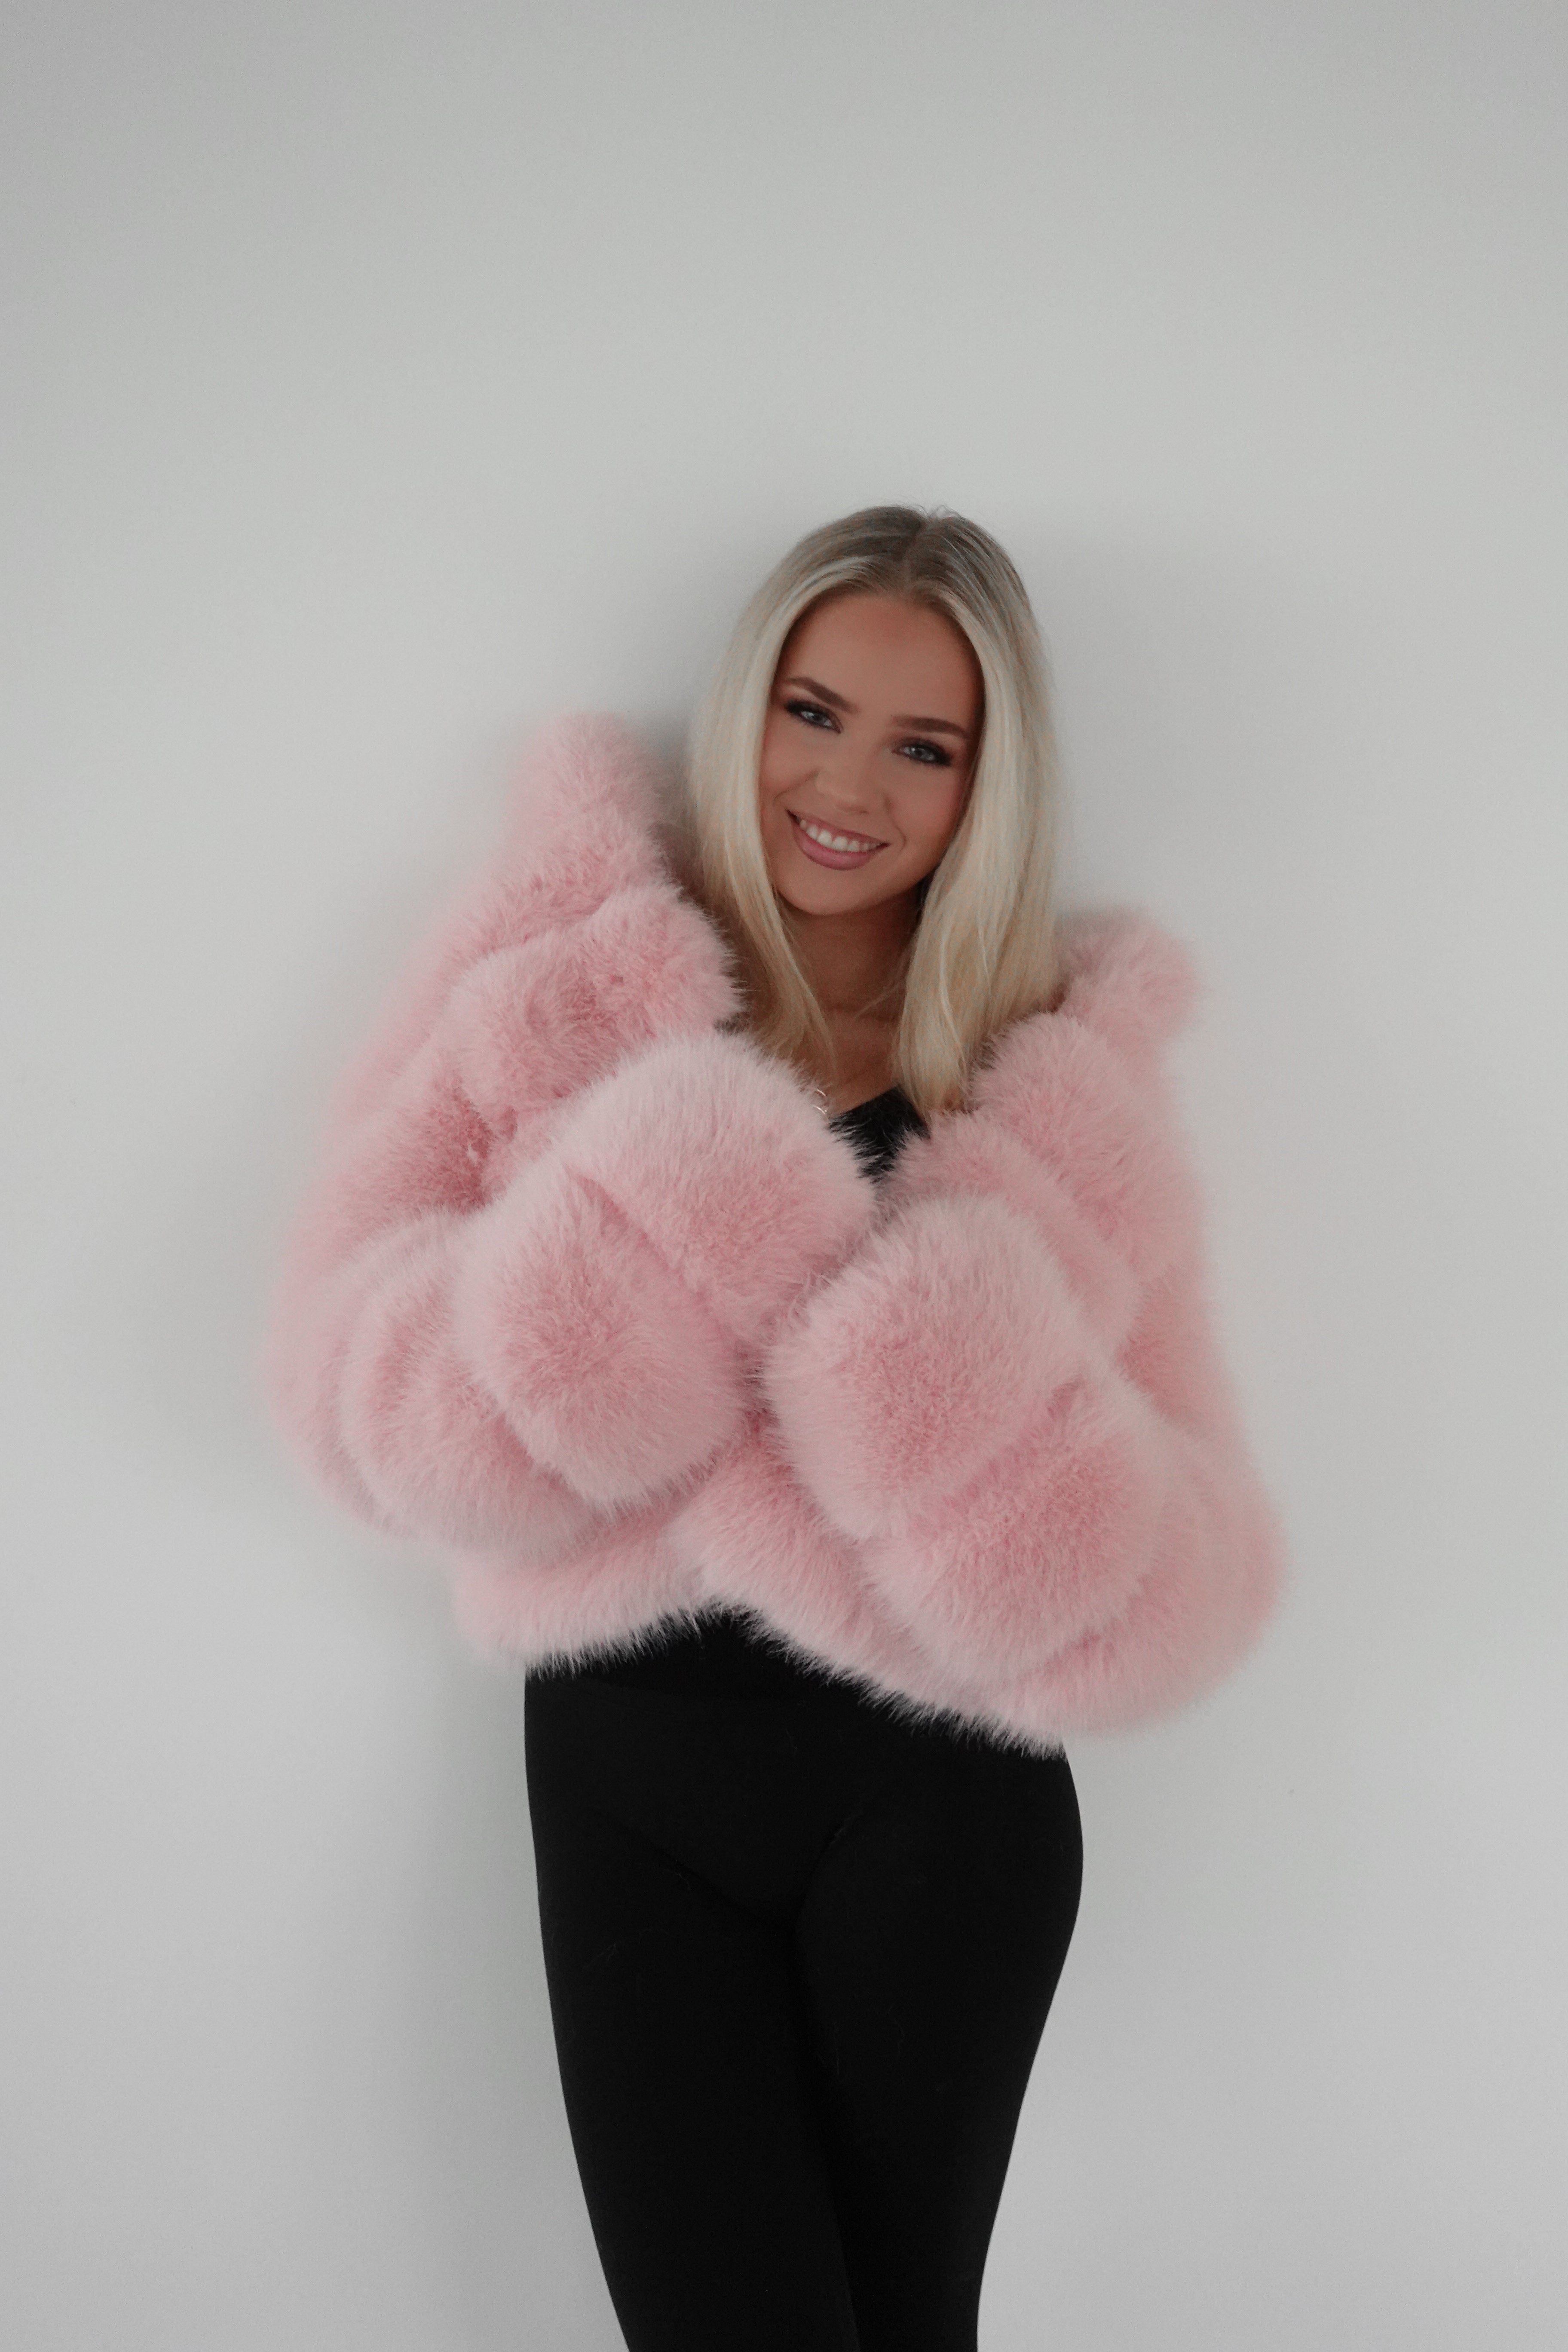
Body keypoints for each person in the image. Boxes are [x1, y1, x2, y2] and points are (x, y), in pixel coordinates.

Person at [260, 505, 1284, 2350]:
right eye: (812, 714)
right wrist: (646, 1252)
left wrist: (951, 1406)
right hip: (627, 1775)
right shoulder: (565, 986)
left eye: (923, 747)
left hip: (940, 1807)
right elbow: (353, 1393)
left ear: (986, 786)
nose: (848, 788)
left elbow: (1187, 1577)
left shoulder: (1053, 1085)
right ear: (748, 710)